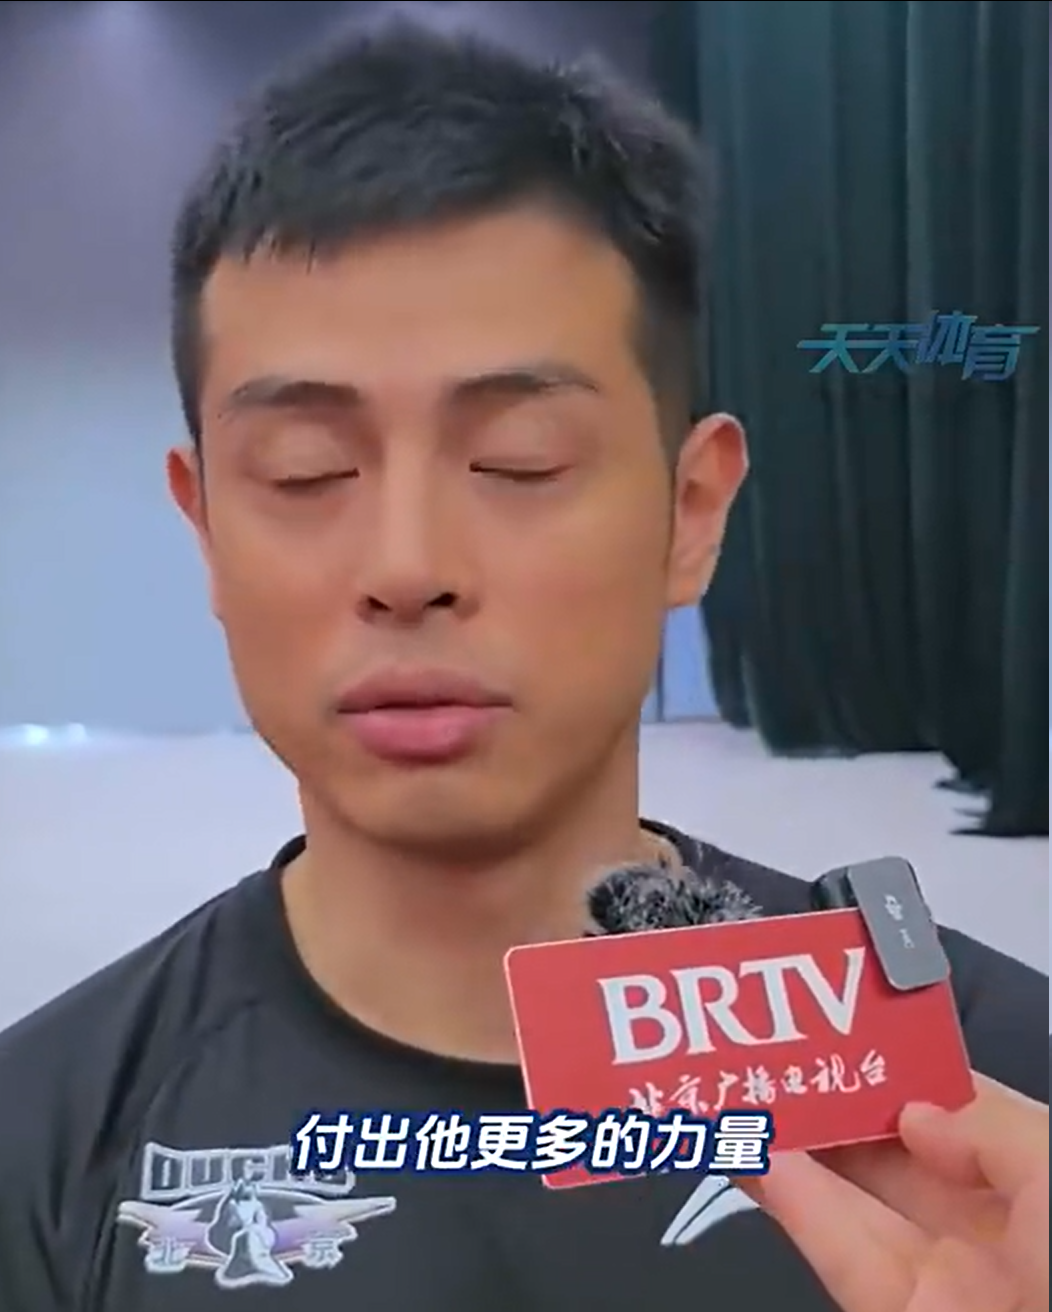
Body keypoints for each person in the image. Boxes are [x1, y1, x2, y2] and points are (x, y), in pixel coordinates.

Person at [0, 21, 1046, 1312]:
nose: (407, 566)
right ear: (206, 527)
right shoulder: (46, 1151)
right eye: (305, 474)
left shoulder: (997, 1116)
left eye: (519, 461)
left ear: (692, 512)